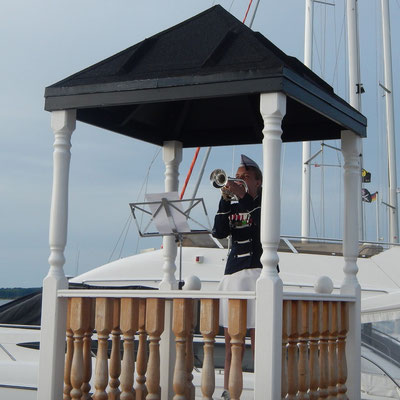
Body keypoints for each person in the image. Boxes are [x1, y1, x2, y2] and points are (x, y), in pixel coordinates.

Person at [212, 154, 262, 400]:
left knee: (258, 340)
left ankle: (265, 390)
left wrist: (242, 195)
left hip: (256, 273)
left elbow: (256, 222)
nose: (239, 180)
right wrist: (224, 199)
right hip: (233, 275)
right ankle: (229, 392)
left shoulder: (263, 202)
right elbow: (219, 232)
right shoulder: (233, 206)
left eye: (245, 177)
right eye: (238, 176)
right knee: (233, 342)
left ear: (258, 182)